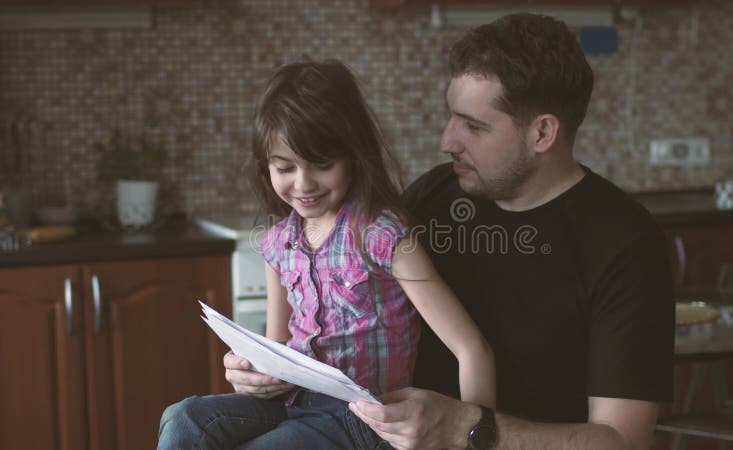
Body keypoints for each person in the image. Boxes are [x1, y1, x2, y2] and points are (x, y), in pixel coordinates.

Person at [345, 13, 675, 450]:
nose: (447, 141)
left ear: (542, 132)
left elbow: (622, 440)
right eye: (452, 117)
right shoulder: (431, 198)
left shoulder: (626, 242)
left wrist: (468, 428)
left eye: (474, 126)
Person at [157, 59, 495, 449]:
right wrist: (252, 373)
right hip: (294, 403)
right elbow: (277, 352)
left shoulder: (384, 236)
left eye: (321, 165)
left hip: (363, 420)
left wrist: (477, 433)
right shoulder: (278, 244)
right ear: (265, 165)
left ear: (353, 155)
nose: (303, 184)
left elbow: (472, 349)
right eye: (284, 167)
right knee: (181, 419)